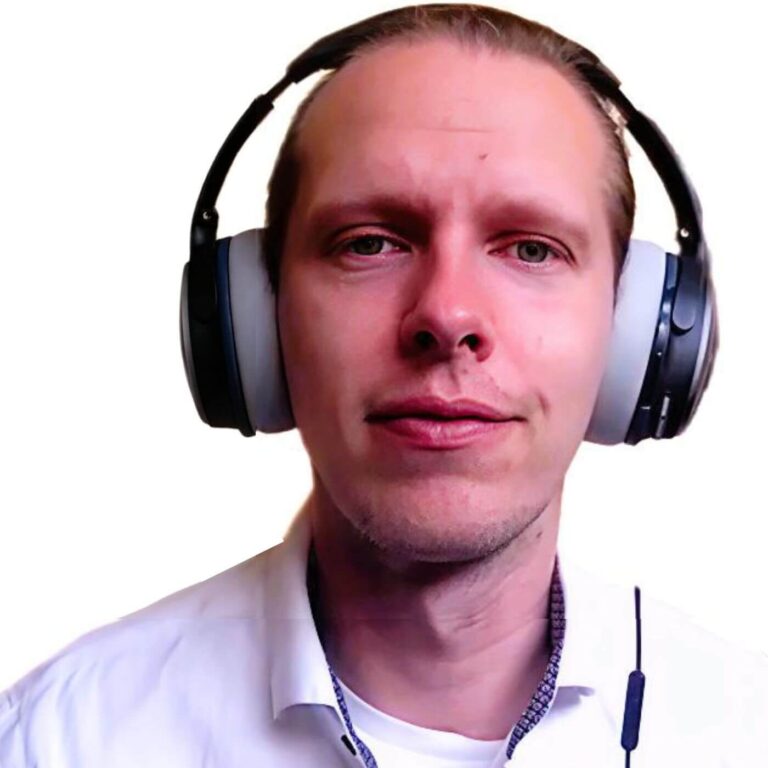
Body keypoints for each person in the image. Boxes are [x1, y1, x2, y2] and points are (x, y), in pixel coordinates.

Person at [0, 4, 763, 767]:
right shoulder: (59, 742)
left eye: (531, 249)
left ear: (636, 332)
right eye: (369, 243)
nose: (447, 315)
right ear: (256, 320)